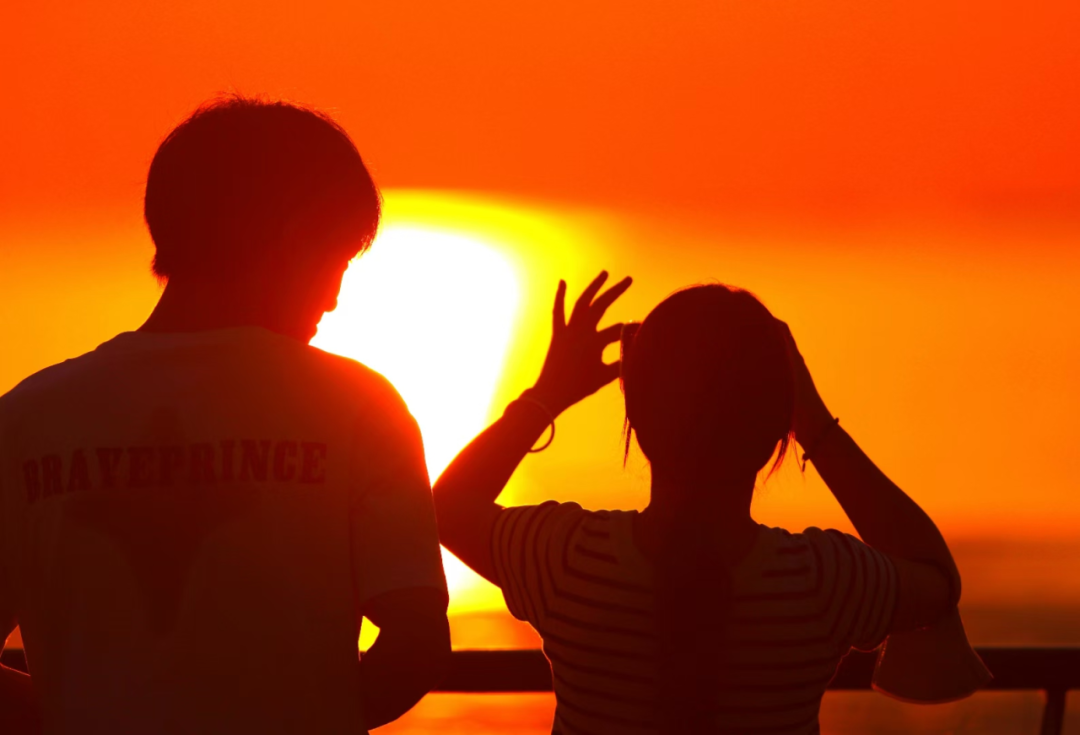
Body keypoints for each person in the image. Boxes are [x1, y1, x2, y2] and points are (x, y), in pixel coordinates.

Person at [0, 96, 450, 734]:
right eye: (336, 259)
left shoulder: (26, 419)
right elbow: (418, 645)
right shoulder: (358, 407)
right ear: (292, 238)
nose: (334, 298)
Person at [434, 274, 961, 734]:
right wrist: (814, 423)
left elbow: (449, 508)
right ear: (778, 429)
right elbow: (935, 578)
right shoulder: (822, 579)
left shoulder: (569, 557)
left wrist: (547, 394)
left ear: (636, 424)